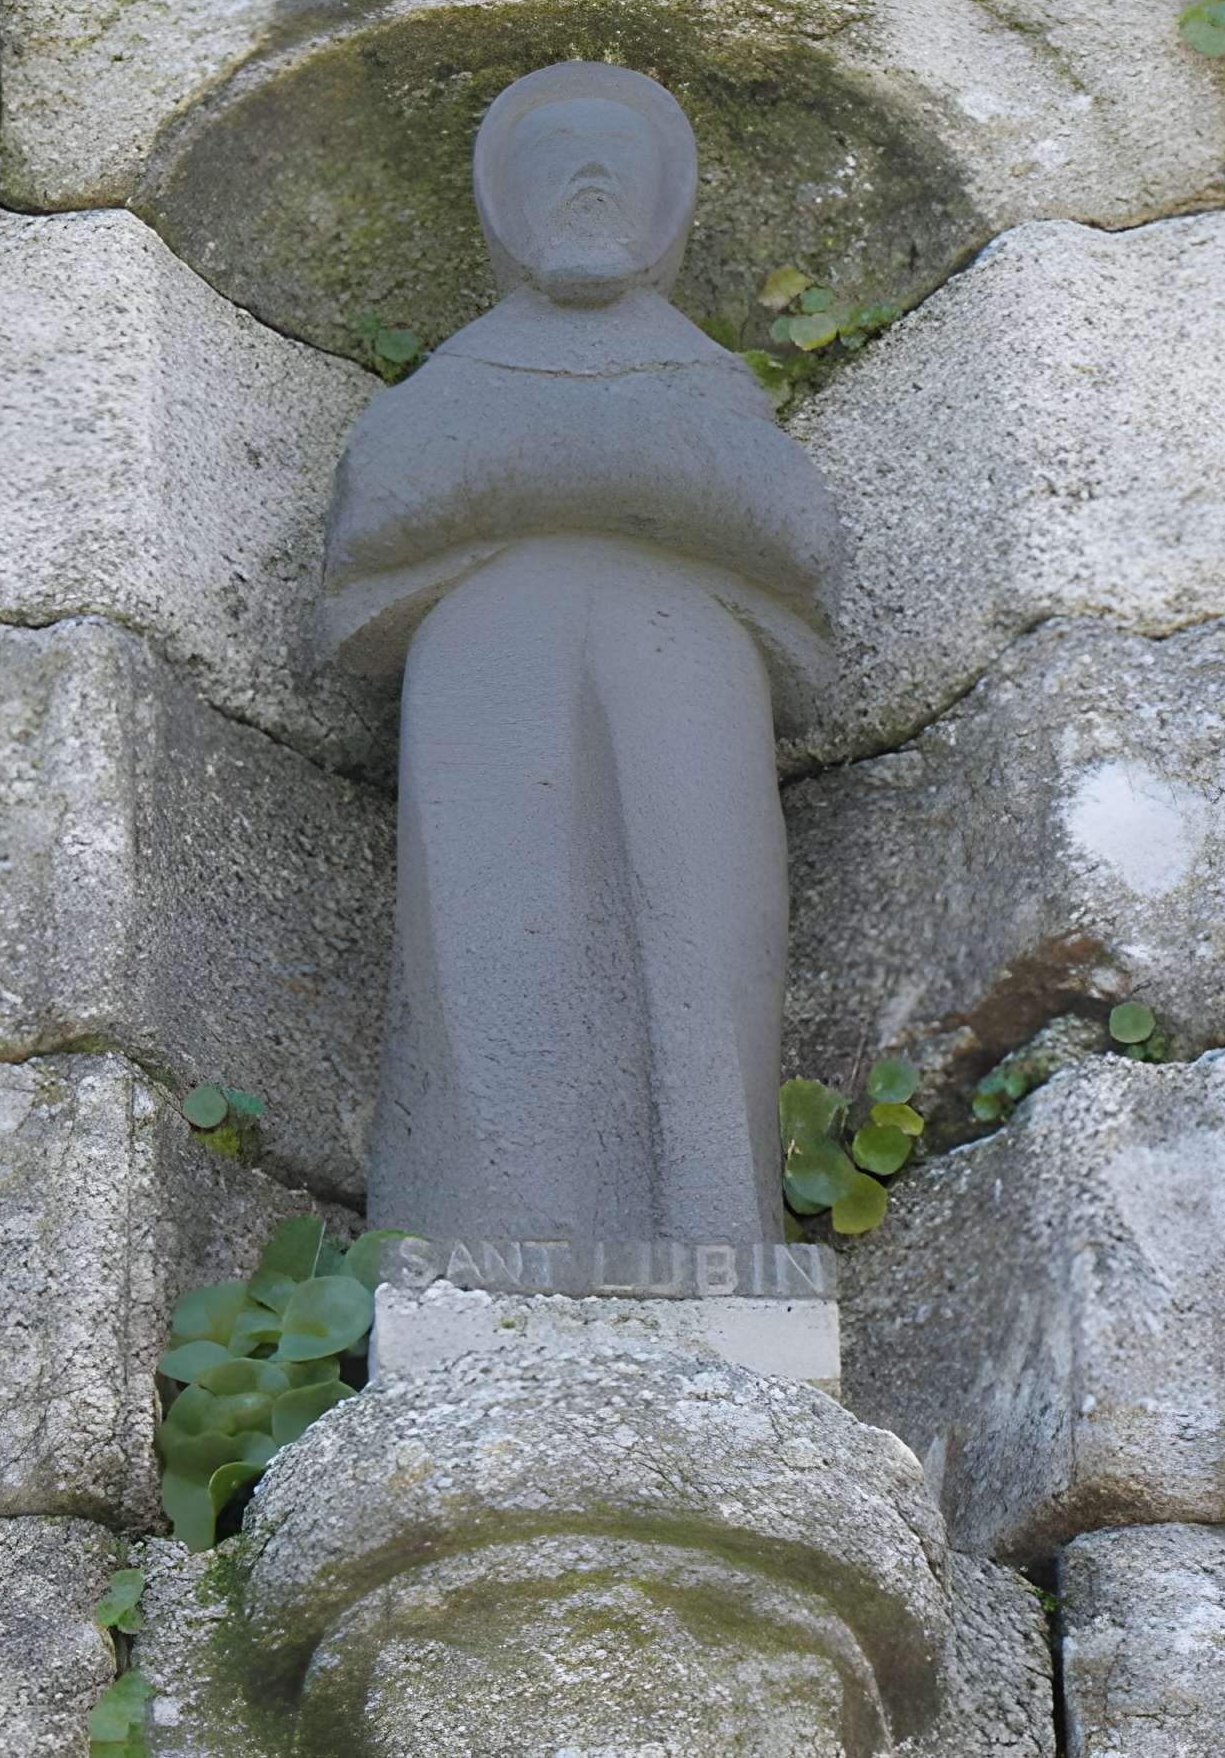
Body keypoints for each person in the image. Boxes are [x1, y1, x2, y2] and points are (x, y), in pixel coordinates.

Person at [320, 62, 838, 1244]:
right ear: (505, 204)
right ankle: (485, 1230)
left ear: (665, 204)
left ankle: (712, 1234)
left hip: (688, 663)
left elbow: (789, 528)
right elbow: (384, 508)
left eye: (617, 164)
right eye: (557, 162)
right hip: (488, 666)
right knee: (491, 942)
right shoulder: (457, 375)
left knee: (701, 927)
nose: (589, 180)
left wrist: (540, 463)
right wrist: (635, 463)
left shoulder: (705, 376)